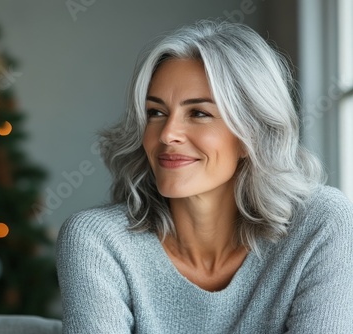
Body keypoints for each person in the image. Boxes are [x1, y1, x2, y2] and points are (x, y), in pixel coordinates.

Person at [55, 20, 353, 333]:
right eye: (156, 112)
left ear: (251, 133)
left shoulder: (322, 223)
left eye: (199, 113)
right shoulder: (97, 241)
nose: (168, 134)